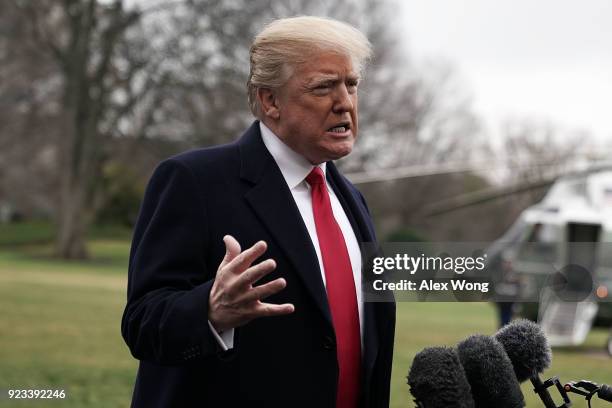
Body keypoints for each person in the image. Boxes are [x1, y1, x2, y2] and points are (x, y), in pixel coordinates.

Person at [121, 16, 396, 408]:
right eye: (323, 87)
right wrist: (211, 311)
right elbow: (142, 323)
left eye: (351, 85)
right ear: (270, 101)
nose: (345, 103)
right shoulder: (193, 181)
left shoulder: (350, 198)